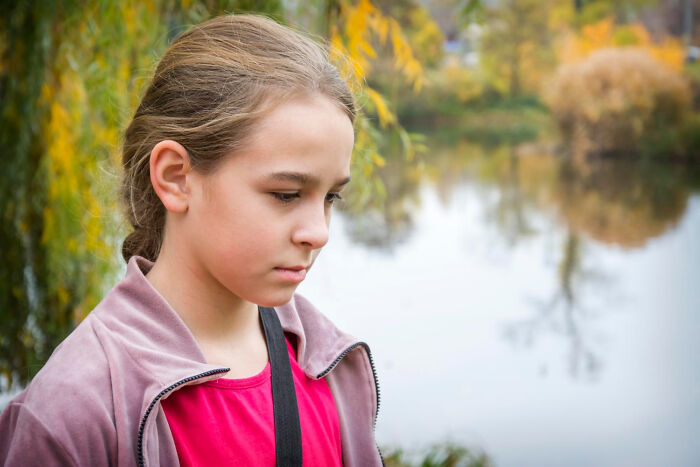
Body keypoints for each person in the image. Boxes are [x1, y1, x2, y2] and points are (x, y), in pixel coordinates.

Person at [0, 14, 382, 466]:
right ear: (176, 178)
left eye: (331, 196)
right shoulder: (74, 414)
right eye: (286, 194)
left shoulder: (333, 366)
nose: (318, 232)